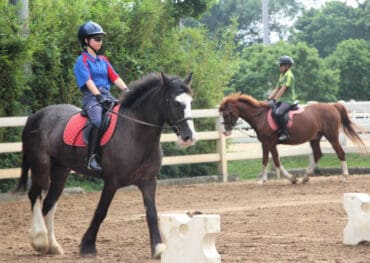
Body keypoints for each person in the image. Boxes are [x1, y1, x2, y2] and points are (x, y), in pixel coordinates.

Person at [74, 21, 129, 171]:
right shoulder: (81, 61)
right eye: (96, 39)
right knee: (97, 120)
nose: (100, 42)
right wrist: (98, 96)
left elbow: (115, 77)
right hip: (91, 98)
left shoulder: (103, 60)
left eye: (101, 39)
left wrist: (127, 90)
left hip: (107, 96)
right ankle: (91, 158)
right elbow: (88, 80)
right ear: (86, 41)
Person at [267, 55, 296, 141]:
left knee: (279, 113)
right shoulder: (282, 75)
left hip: (288, 100)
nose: (279, 67)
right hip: (281, 99)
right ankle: (277, 130)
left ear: (287, 66)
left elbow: (283, 89)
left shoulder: (289, 76)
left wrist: (274, 100)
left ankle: (285, 133)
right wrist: (269, 99)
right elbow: (277, 88)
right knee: (271, 111)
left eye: (281, 65)